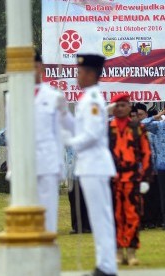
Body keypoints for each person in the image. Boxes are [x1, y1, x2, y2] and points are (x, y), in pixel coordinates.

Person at [64, 54, 117, 276]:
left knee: (100, 216)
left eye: (81, 72)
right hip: (90, 165)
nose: (77, 76)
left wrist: (68, 142)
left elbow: (93, 134)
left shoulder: (93, 99)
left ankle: (106, 266)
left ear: (91, 74)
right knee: (99, 216)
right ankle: (104, 264)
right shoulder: (88, 98)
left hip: (94, 165)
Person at [108, 94, 152, 266]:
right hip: (113, 179)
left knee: (133, 215)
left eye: (123, 105)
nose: (120, 108)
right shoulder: (108, 128)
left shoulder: (138, 128)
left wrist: (146, 179)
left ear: (129, 107)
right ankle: (118, 251)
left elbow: (146, 154)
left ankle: (132, 251)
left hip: (133, 178)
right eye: (117, 105)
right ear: (113, 108)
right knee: (116, 216)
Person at [34, 52, 74, 233]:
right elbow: (12, 134)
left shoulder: (53, 96)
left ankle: (48, 251)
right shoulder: (14, 96)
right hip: (26, 163)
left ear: (41, 67)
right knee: (28, 213)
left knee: (49, 212)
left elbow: (67, 128)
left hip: (49, 161)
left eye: (34, 66)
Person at [134, 103, 162, 229]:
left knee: (153, 196)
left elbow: (156, 149)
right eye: (137, 115)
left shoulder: (152, 128)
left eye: (141, 115)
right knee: (141, 196)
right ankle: (144, 220)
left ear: (146, 114)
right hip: (138, 169)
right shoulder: (134, 128)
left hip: (153, 168)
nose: (139, 117)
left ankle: (154, 220)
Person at [141, 101, 165, 230]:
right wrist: (156, 117)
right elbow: (141, 125)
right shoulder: (159, 126)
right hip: (163, 166)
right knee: (164, 196)